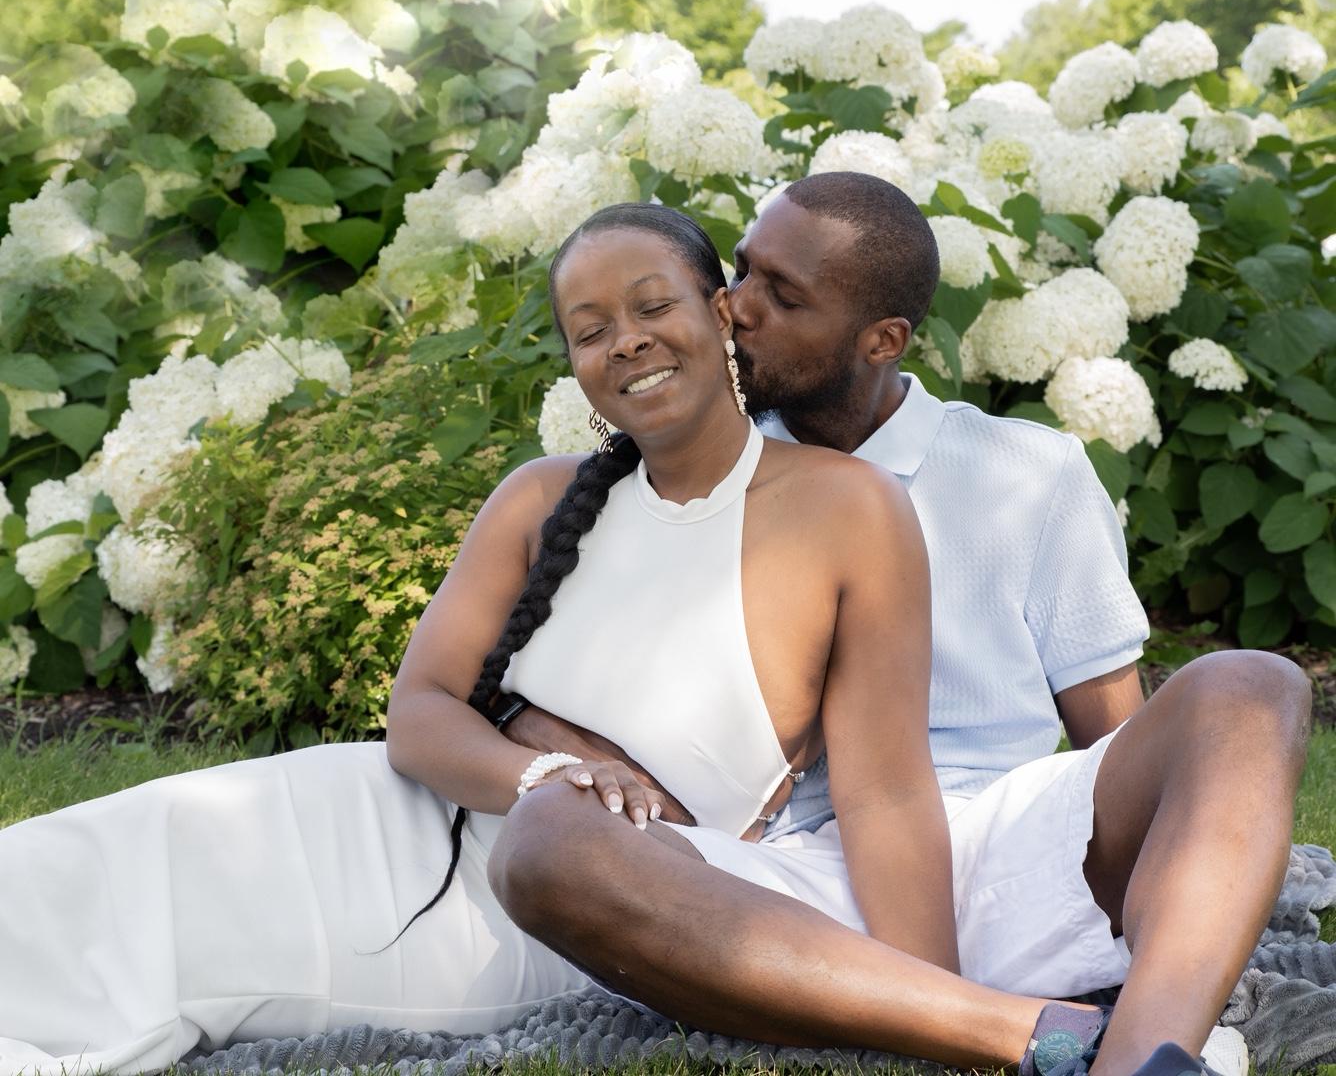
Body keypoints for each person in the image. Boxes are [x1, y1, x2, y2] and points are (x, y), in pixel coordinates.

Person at [0, 203, 1058, 1075]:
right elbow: (418, 716)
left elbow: (884, 791)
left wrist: (938, 1008)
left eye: (653, 306)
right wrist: (546, 769)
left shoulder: (852, 509)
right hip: (353, 809)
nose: (626, 340)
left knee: (164, 959)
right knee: (78, 862)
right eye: (590, 330)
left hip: (510, 912)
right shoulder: (537, 497)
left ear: (721, 312)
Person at [487, 177, 1313, 1076]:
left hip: (1014, 851)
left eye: (783, 296)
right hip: (776, 895)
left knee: (1252, 686)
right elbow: (530, 671)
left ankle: (1142, 1059)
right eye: (744, 272)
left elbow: (1119, 741)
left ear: (881, 340)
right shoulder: (696, 466)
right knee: (547, 841)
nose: (738, 308)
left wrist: (1188, 846)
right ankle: (1022, 1031)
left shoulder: (1028, 471)